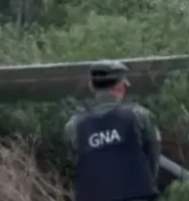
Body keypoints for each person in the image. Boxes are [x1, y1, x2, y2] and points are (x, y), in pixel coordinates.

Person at [64, 60, 162, 201]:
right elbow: (153, 157)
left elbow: (74, 165)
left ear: (92, 87)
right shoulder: (139, 116)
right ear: (120, 87)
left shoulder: (73, 126)